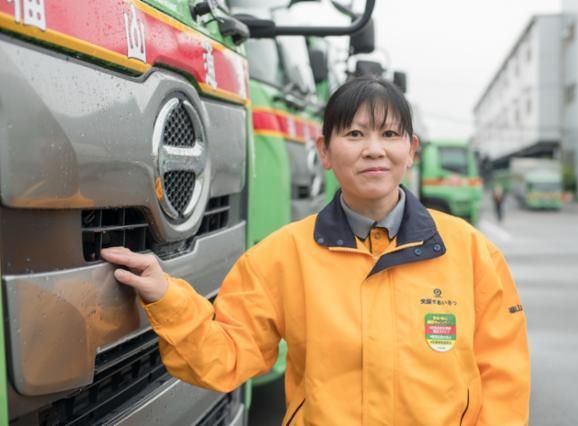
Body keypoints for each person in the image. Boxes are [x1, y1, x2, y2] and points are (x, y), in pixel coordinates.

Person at [102, 76, 530, 425]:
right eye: (355, 134)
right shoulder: (282, 257)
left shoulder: (470, 252)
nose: (374, 149)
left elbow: (503, 376)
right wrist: (167, 298)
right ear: (324, 151)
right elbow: (226, 356)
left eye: (389, 134)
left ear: (411, 150)